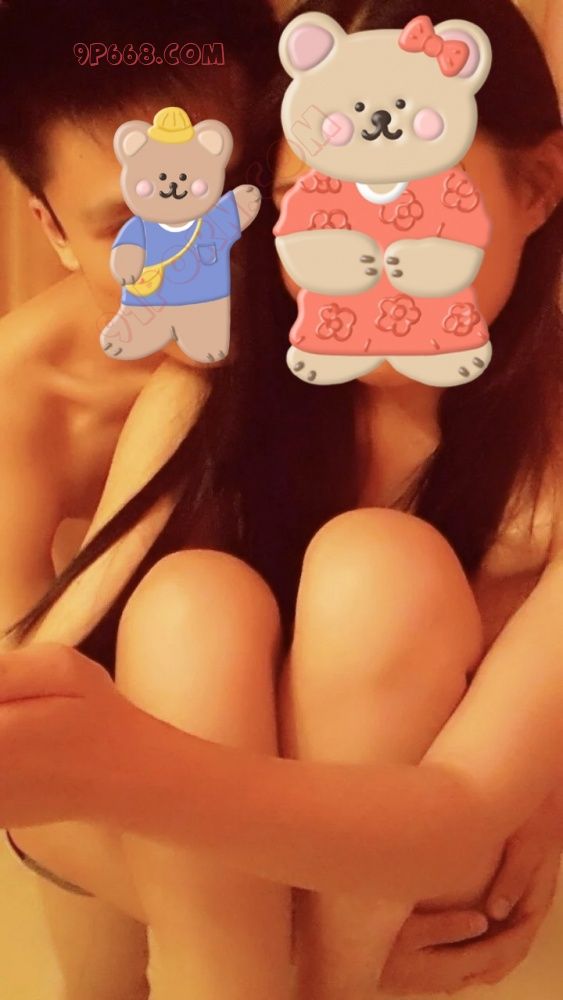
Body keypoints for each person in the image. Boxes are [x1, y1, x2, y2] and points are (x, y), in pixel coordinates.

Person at [1, 0, 562, 997]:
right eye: (314, 202)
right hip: (220, 877)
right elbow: (45, 683)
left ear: (534, 186)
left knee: (374, 570)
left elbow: (467, 806)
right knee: (191, 600)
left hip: (414, 860)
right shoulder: (199, 395)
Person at [0, 1, 293, 998]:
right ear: (50, 229)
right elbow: (19, 706)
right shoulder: (28, 401)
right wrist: (236, 922)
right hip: (89, 761)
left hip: (294, 738)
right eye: (131, 225)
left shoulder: (338, 328)